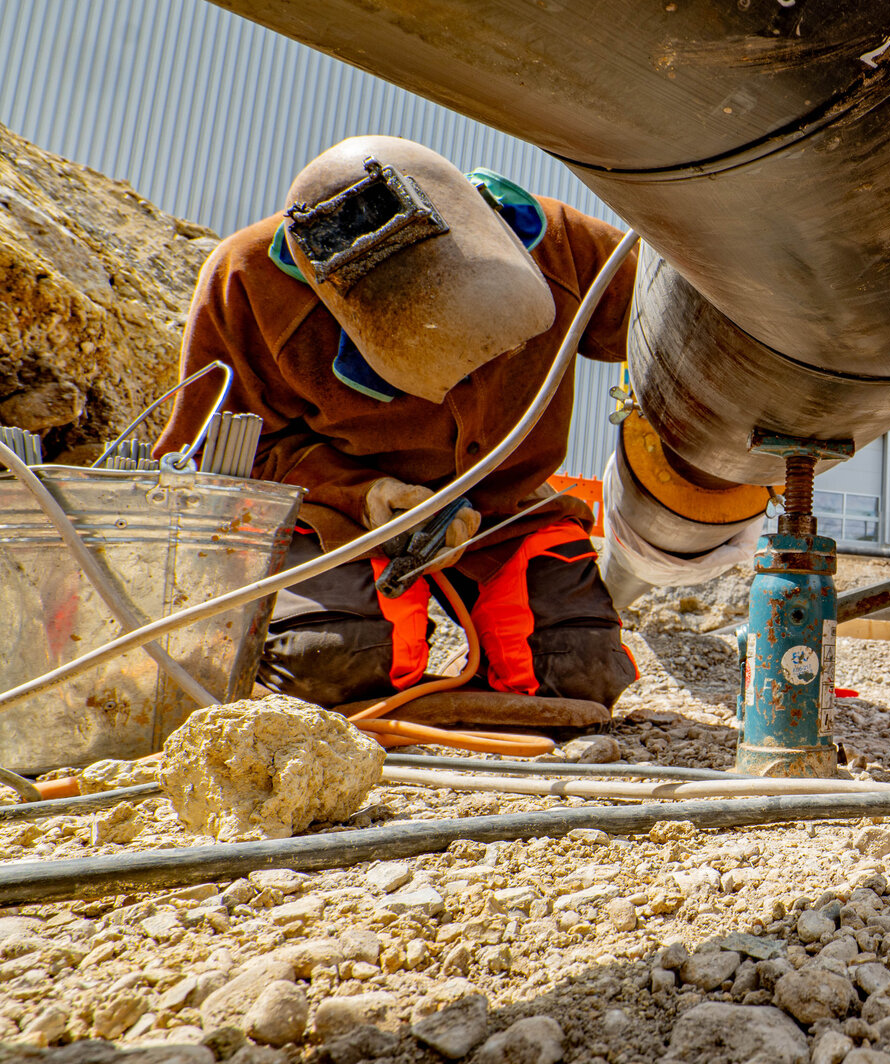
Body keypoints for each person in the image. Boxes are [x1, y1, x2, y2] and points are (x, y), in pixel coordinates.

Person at [153, 135, 638, 709]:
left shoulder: (557, 241)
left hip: (506, 510)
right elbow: (218, 459)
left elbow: (678, 336)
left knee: (579, 672)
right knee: (330, 662)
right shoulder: (251, 281)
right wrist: (366, 496)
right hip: (342, 518)